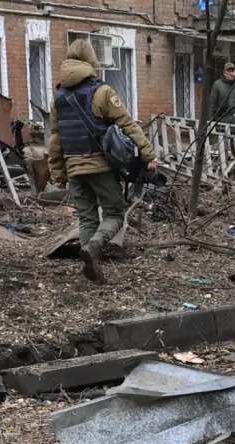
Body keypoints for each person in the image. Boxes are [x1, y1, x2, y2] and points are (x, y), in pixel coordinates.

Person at [48, 38, 158, 283]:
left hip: (74, 168)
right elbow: (127, 124)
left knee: (87, 218)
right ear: (91, 60)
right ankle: (95, 246)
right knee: (115, 214)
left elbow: (56, 138)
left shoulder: (58, 98)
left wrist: (57, 173)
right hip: (100, 166)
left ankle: (92, 269)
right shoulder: (102, 91)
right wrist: (148, 154)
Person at [208, 61, 235, 126]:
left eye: (232, 71)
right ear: (224, 73)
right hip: (221, 122)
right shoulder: (217, 85)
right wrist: (211, 122)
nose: (231, 73)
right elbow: (212, 105)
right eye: (228, 71)